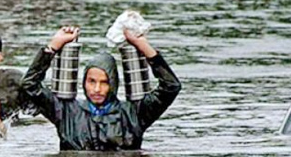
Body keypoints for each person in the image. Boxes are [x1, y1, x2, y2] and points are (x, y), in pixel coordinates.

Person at [21, 26, 182, 150]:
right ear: (84, 82)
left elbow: (171, 87)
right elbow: (29, 85)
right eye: (92, 81)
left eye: (104, 82)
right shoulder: (65, 111)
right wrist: (52, 47)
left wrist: (143, 46)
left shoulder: (134, 113)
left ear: (113, 84)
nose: (97, 89)